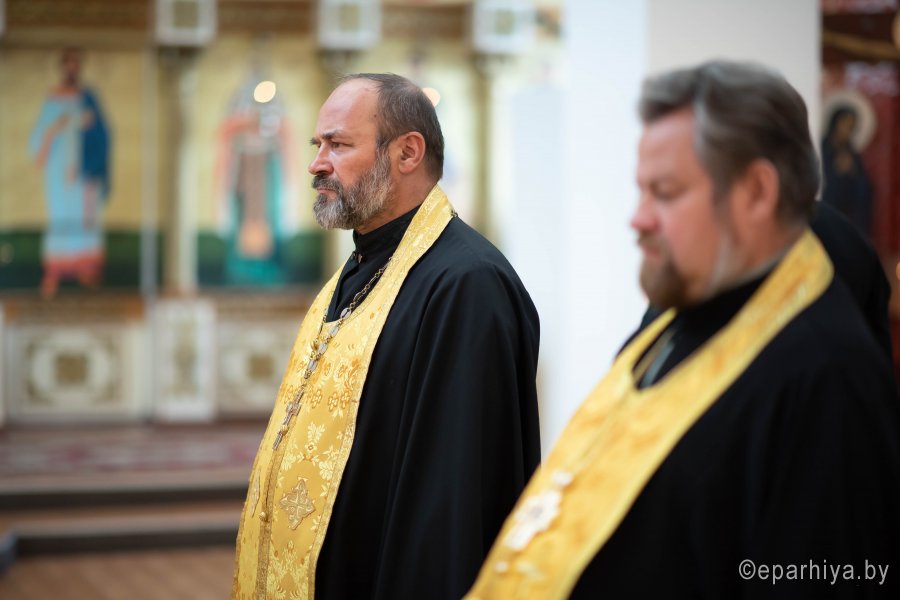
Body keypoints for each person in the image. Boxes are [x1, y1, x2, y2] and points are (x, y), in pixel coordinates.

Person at [467, 61, 900, 599]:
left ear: (756, 192)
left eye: (665, 192)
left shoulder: (828, 378)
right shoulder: (676, 318)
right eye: (641, 191)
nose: (638, 218)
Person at [232, 73, 541, 599]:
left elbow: (451, 505)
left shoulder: (467, 285)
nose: (316, 164)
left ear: (407, 153)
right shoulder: (360, 268)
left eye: (338, 145)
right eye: (317, 145)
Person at [29, 47, 111, 297]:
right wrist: (56, 127)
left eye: (76, 65)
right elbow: (39, 137)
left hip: (83, 172)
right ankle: (55, 271)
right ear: (62, 68)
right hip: (58, 172)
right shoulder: (52, 99)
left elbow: (103, 132)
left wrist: (90, 125)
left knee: (84, 218)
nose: (72, 70)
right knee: (60, 216)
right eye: (68, 65)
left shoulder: (89, 97)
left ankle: (85, 269)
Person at [821, 105, 873, 239]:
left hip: (848, 215)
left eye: (852, 127)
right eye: (845, 124)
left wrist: (852, 171)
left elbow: (863, 186)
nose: (848, 130)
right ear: (835, 123)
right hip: (826, 210)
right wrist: (835, 171)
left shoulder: (851, 152)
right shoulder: (822, 148)